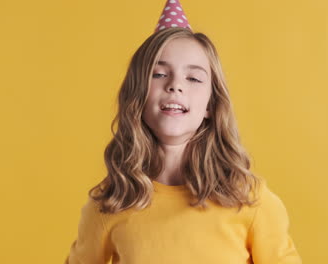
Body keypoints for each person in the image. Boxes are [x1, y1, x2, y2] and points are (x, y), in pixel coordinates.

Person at [64, 1, 302, 263]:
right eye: (158, 74)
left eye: (193, 78)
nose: (175, 85)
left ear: (211, 105)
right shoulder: (111, 202)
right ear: (137, 97)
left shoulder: (250, 199)